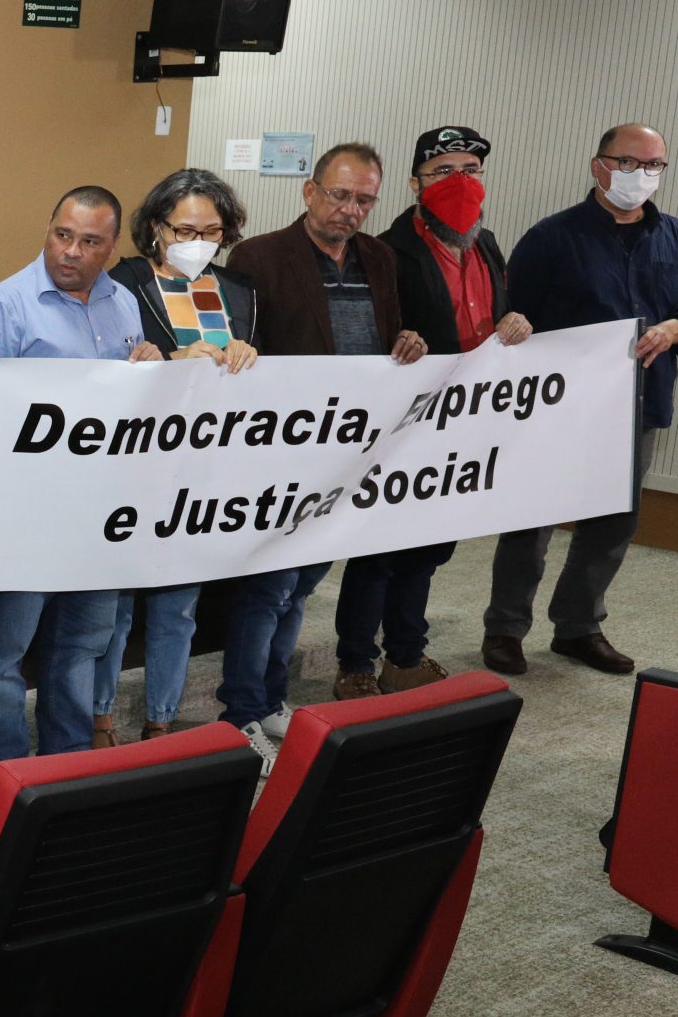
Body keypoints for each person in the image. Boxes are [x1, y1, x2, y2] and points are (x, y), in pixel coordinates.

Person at [480, 124, 678, 675]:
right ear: (598, 166)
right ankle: (506, 628)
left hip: (638, 406)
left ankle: (579, 626)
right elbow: (514, 317)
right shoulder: (551, 237)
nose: (642, 176)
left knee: (613, 523)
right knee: (530, 521)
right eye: (629, 163)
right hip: (559, 408)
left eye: (654, 165)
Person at [222, 143, 428, 767]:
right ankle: (240, 711)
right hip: (284, 450)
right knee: (268, 586)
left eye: (364, 199)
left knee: (305, 584)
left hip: (352, 452)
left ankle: (271, 695)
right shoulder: (258, 257)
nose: (350, 210)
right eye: (339, 195)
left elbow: (382, 336)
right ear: (309, 191)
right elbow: (243, 350)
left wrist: (406, 342)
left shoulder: (381, 258)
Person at [0, 186, 153, 785]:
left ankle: (66, 765)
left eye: (89, 241)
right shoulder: (5, 306)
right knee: (5, 653)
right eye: (61, 235)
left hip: (98, 511)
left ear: (111, 245)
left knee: (84, 644)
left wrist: (146, 363)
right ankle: (2, 774)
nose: (70, 251)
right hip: (24, 515)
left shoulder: (124, 303)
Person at [338, 127, 536, 698]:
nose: (459, 182)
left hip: (467, 422)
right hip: (404, 422)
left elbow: (494, 315)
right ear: (415, 183)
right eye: (443, 171)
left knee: (427, 548)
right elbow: (372, 326)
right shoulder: (386, 250)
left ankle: (405, 654)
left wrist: (514, 321)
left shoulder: (488, 243)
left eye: (470, 170)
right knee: (377, 548)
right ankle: (355, 662)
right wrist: (398, 337)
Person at [91, 168, 260, 743]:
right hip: (134, 468)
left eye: (212, 231)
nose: (199, 242)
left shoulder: (239, 293)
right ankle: (101, 716)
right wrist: (169, 357)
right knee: (113, 610)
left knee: (177, 608)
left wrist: (243, 352)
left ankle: (161, 719)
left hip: (203, 471)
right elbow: (112, 362)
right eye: (185, 229)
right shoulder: (123, 283)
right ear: (157, 226)